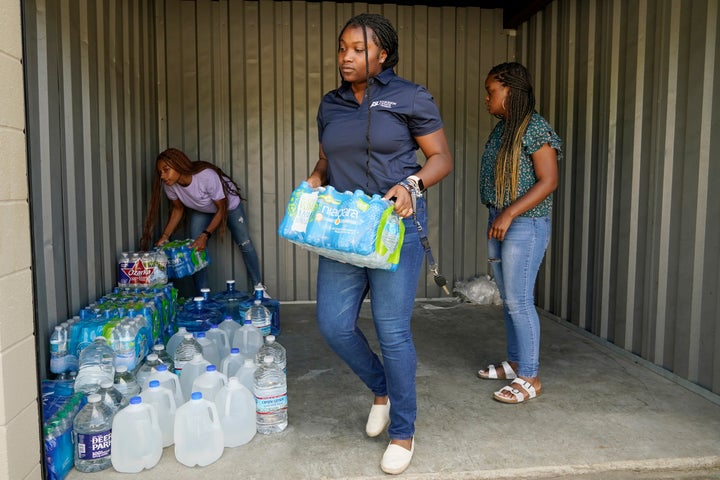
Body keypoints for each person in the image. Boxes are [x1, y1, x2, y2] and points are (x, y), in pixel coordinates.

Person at [306, 13, 452, 475]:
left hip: (394, 226)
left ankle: (403, 432)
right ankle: (382, 389)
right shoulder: (331, 104)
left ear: (382, 54)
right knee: (333, 324)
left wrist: (412, 185)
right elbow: (328, 159)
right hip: (344, 228)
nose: (346, 57)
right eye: (342, 48)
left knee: (392, 331)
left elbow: (440, 158)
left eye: (358, 49)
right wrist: (313, 179)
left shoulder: (410, 96)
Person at [476, 62, 561, 404]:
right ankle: (515, 363)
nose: (486, 98)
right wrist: (501, 214)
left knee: (519, 300)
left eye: (491, 91)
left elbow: (549, 180)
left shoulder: (535, 128)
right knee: (510, 299)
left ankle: (530, 377)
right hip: (501, 219)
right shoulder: (503, 129)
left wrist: (510, 213)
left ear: (510, 91)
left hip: (524, 222)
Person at [139, 148, 265, 295]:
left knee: (244, 242)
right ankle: (203, 296)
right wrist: (165, 236)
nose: (163, 176)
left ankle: (259, 288)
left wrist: (205, 235)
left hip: (228, 206)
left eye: (166, 170)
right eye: (160, 172)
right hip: (203, 208)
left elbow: (222, 208)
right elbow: (178, 209)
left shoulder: (206, 176)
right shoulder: (170, 185)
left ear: (178, 164)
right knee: (195, 248)